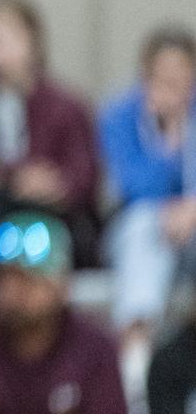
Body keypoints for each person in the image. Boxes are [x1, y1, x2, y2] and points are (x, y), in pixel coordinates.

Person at [0, 0, 101, 292]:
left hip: (51, 218)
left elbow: (83, 176)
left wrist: (54, 185)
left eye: (7, 40)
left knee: (7, 206)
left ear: (33, 41)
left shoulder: (66, 106)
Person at [0, 211, 128, 414]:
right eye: (4, 277)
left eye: (27, 280)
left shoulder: (95, 351)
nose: (12, 290)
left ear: (62, 284)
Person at [99, 24, 196, 396]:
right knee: (143, 227)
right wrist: (169, 142)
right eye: (163, 78)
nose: (172, 87)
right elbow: (131, 188)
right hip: (141, 231)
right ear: (146, 76)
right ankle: (135, 362)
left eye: (181, 78)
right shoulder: (120, 116)